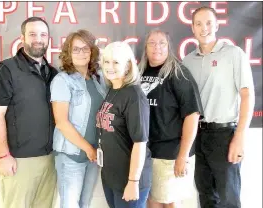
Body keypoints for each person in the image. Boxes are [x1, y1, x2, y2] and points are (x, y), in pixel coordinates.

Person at [182, 6, 255, 208]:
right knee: (205, 195)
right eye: (198, 23)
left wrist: (239, 138)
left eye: (208, 23)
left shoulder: (233, 54)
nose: (203, 28)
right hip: (199, 136)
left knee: (228, 198)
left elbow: (247, 95)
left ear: (217, 25)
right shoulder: (188, 61)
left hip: (224, 135)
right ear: (193, 28)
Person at [0, 17, 58, 208]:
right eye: (32, 34)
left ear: (49, 38)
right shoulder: (5, 69)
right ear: (22, 37)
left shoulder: (53, 73)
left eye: (43, 34)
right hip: (19, 160)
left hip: (50, 158)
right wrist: (3, 156)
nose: (38, 39)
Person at [138, 28, 204, 208]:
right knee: (151, 201)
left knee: (170, 203)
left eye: (162, 43)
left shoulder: (179, 73)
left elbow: (192, 115)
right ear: (145, 47)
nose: (156, 47)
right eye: (151, 43)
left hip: (170, 154)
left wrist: (182, 156)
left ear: (169, 47)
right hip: (146, 152)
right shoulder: (139, 72)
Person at [50, 29, 107, 208]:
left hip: (93, 155)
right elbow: (61, 122)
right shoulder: (62, 80)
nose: (81, 53)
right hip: (71, 156)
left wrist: (94, 150)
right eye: (76, 49)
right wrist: (88, 149)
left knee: (84, 203)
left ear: (92, 51)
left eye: (85, 48)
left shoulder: (98, 79)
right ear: (68, 52)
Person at [96, 41, 152, 208]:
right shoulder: (113, 90)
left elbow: (140, 142)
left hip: (129, 179)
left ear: (128, 66)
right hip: (111, 176)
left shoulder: (134, 95)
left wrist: (133, 181)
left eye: (116, 62)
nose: (109, 66)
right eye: (106, 61)